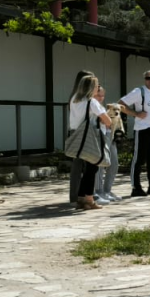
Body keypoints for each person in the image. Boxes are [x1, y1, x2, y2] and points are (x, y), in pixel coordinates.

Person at [119, 70, 150, 196]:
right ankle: (136, 187)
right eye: (148, 78)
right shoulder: (138, 91)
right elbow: (120, 104)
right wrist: (136, 114)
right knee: (139, 159)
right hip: (143, 129)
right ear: (145, 80)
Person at [68, 74, 112, 211]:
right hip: (89, 137)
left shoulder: (74, 99)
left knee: (85, 169)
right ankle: (89, 199)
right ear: (91, 87)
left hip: (76, 135)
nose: (98, 88)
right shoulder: (92, 102)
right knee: (92, 169)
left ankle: (81, 198)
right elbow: (107, 121)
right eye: (96, 85)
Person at [93, 86, 125, 204]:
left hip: (110, 137)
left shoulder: (100, 107)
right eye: (98, 95)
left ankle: (107, 190)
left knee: (114, 163)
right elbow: (104, 121)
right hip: (99, 137)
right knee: (101, 165)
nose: (100, 98)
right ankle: (98, 191)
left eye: (102, 95)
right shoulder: (92, 105)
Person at [68, 70, 94, 204]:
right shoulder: (84, 99)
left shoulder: (74, 97)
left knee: (78, 166)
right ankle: (79, 197)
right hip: (82, 132)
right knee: (84, 165)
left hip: (74, 131)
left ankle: (77, 196)